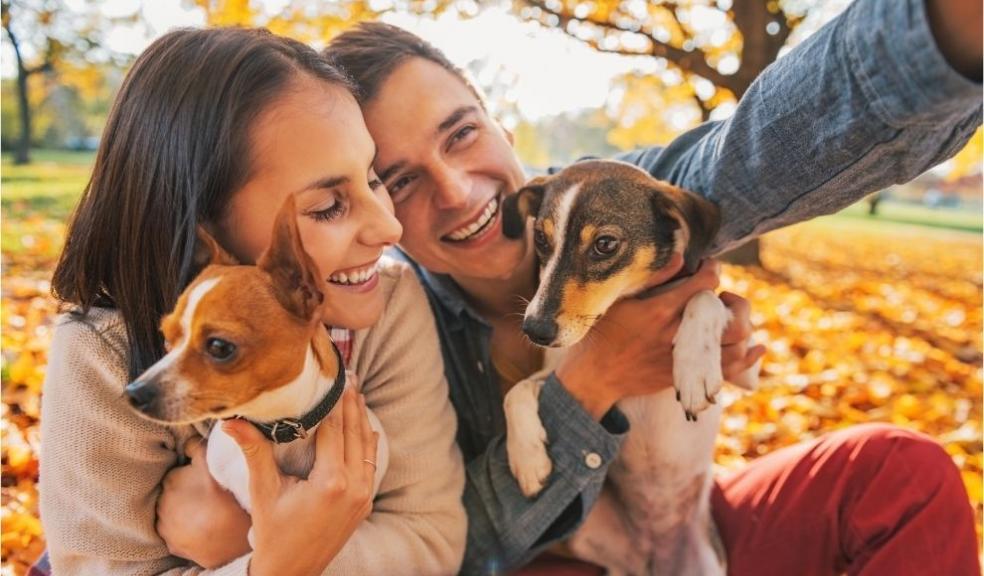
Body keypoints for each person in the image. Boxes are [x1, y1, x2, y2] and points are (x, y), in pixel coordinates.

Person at [160, 0, 982, 574]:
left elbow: (771, 141)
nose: (456, 191)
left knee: (897, 468)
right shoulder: (398, 327)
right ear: (374, 207)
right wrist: (592, 386)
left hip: (696, 516)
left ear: (500, 122)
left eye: (462, 133)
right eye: (399, 179)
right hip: (564, 550)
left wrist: (940, 33)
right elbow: (453, 544)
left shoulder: (628, 201)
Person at [38, 27, 465, 575]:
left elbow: (430, 541)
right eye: (328, 205)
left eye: (374, 177)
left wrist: (261, 545)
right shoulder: (102, 355)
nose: (389, 227)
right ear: (200, 233)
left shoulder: (387, 303)